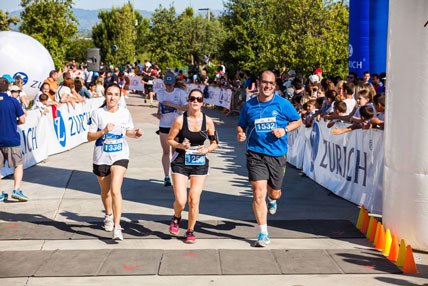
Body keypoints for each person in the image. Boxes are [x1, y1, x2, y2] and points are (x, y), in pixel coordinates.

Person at [237, 70, 302, 247]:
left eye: (271, 83)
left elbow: (298, 121)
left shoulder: (282, 104)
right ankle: (263, 233)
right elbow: (241, 125)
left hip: (277, 154)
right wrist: (240, 134)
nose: (267, 86)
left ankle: (273, 200)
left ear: (275, 86)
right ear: (258, 83)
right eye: (264, 82)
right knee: (258, 192)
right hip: (255, 153)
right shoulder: (249, 105)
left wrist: (285, 130)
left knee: (274, 192)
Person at [87, 83, 143, 240]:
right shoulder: (98, 113)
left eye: (116, 94)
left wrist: (135, 134)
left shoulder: (125, 113)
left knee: (116, 190)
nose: (112, 97)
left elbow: (128, 132)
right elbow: (89, 137)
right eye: (110, 94)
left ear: (120, 96)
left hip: (120, 154)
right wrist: (104, 131)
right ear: (105, 95)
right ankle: (108, 215)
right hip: (101, 156)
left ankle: (117, 227)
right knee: (106, 192)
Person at [167, 89, 218, 243]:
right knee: (181, 201)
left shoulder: (208, 121)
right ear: (188, 101)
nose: (195, 102)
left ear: (203, 102)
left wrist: (207, 149)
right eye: (192, 99)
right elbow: (170, 139)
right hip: (181, 161)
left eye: (199, 99)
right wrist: (181, 145)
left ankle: (190, 230)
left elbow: (214, 142)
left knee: (194, 200)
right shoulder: (180, 120)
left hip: (199, 163)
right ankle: (176, 217)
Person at [156, 73, 188, 186]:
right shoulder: (160, 93)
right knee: (165, 151)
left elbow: (186, 107)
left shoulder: (179, 93)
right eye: (167, 84)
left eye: (170, 84)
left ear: (174, 83)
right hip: (164, 125)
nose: (168, 87)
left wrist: (173, 105)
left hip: (176, 125)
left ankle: (175, 174)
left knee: (175, 152)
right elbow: (160, 105)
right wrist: (158, 112)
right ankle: (166, 176)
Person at [0, 77, 28, 202]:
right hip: (11, 139)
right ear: (8, 88)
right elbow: (22, 120)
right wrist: (13, 122)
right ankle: (16, 190)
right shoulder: (13, 101)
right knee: (18, 164)